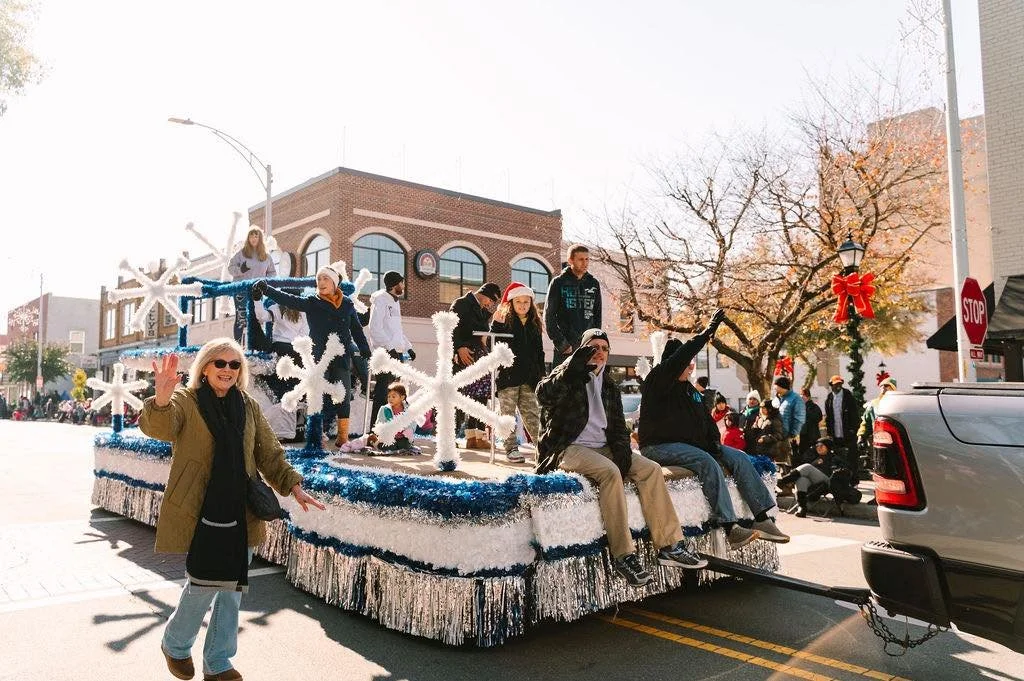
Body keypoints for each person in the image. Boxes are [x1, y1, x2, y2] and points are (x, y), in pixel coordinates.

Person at [141, 339, 325, 681]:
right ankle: (176, 645)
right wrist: (163, 397)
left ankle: (218, 663)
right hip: (201, 508)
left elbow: (269, 452)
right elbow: (160, 427)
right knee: (202, 584)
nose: (227, 369)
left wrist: (293, 485)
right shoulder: (186, 401)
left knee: (232, 589)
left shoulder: (248, 406)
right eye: (220, 363)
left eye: (234, 364)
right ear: (205, 367)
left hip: (242, 511)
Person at [536, 329, 708, 586]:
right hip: (567, 448)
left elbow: (618, 429)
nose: (600, 353)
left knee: (649, 469)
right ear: (582, 350)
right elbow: (542, 395)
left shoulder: (609, 386)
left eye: (605, 349)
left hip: (602, 448)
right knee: (610, 472)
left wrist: (624, 456)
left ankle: (670, 545)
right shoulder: (567, 375)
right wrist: (572, 368)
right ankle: (624, 556)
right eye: (594, 347)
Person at [638, 313, 788, 548]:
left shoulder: (690, 391)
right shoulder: (658, 380)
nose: (689, 367)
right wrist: (707, 333)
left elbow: (705, 423)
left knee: (738, 457)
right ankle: (730, 527)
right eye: (685, 363)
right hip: (658, 446)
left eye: (690, 364)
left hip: (687, 444)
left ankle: (761, 518)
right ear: (673, 363)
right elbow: (682, 356)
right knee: (705, 461)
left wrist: (715, 444)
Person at [253, 262, 370, 448]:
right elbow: (288, 300)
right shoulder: (312, 302)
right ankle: (317, 434)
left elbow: (356, 328)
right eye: (318, 279)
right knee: (316, 395)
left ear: (334, 283)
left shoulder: (347, 304)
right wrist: (267, 290)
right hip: (319, 357)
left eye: (325, 278)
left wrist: (364, 349)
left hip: (341, 356)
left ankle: (343, 437)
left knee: (344, 395)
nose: (321, 282)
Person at [490, 282, 545, 464]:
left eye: (526, 302)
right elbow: (495, 341)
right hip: (509, 377)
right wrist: (496, 323)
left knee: (532, 414)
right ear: (512, 303)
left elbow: (539, 352)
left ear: (531, 304)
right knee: (507, 415)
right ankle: (511, 448)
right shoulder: (506, 322)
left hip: (529, 378)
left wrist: (541, 375)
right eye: (518, 302)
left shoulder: (534, 324)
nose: (522, 305)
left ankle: (543, 447)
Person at [451, 282, 502, 449]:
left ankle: (476, 437)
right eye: (491, 301)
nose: (490, 305)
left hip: (478, 356)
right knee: (458, 396)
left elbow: (484, 335)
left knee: (479, 395)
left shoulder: (483, 311)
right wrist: (458, 348)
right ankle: (450, 436)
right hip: (463, 356)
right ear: (485, 294)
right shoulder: (461, 303)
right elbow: (452, 328)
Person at [367, 270, 414, 434]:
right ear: (395, 284)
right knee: (382, 392)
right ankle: (376, 429)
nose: (403, 285)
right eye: (402, 282)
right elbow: (375, 329)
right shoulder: (380, 300)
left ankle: (392, 427)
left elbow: (396, 330)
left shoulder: (396, 302)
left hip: (397, 353)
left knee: (396, 392)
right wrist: (389, 347)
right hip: (385, 353)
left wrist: (408, 347)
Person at [544, 244, 602, 367]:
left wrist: (596, 342)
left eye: (587, 259)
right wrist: (561, 343)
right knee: (563, 385)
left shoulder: (593, 283)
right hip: (566, 348)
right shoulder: (558, 282)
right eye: (581, 259)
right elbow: (549, 316)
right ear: (571, 260)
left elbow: (597, 315)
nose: (585, 263)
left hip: (588, 346)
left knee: (588, 385)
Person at [251, 290, 309, 400]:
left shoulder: (278, 308)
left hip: (280, 347)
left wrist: (257, 301)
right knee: (297, 378)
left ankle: (280, 397)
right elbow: (305, 333)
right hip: (294, 349)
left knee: (279, 378)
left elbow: (262, 317)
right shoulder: (302, 311)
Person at [228, 228, 277, 345]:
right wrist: (241, 270)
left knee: (257, 316)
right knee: (241, 317)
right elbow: (230, 268)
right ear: (248, 238)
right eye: (251, 236)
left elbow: (272, 273)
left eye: (256, 236)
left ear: (260, 238)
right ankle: (237, 346)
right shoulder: (241, 254)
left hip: (257, 291)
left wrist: (265, 281)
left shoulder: (266, 256)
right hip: (241, 290)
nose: (254, 239)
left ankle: (256, 345)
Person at [776, 437, 836, 517]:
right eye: (817, 445)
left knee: (807, 466)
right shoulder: (814, 456)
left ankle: (783, 481)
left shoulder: (833, 457)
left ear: (827, 447)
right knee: (801, 479)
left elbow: (840, 470)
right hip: (813, 482)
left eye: (821, 446)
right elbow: (800, 461)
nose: (818, 447)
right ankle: (802, 508)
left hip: (826, 481)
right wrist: (794, 447)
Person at [824, 375, 860, 474]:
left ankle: (854, 481)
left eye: (840, 384)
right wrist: (829, 433)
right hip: (836, 433)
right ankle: (841, 480)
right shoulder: (829, 398)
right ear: (831, 385)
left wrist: (853, 429)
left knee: (852, 457)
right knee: (839, 458)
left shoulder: (848, 396)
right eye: (836, 384)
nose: (838, 386)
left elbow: (855, 414)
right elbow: (828, 417)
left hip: (848, 433)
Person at [369, 382, 418, 452]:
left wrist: (410, 430)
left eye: (393, 396)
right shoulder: (384, 409)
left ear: (402, 397)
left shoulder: (407, 409)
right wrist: (383, 431)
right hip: (389, 438)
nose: (390, 399)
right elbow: (379, 423)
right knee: (387, 446)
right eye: (389, 396)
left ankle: (400, 446)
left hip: (402, 436)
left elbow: (413, 421)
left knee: (404, 445)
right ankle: (378, 443)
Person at [772, 376, 806, 467]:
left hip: (787, 436)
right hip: (775, 436)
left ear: (783, 387)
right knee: (777, 463)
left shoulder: (796, 399)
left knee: (788, 462)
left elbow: (799, 418)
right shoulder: (775, 399)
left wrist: (794, 434)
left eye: (776, 386)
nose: (775, 388)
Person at [858, 373, 897, 449]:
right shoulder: (873, 405)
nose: (883, 388)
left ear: (893, 388)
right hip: (878, 441)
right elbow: (865, 423)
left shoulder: (898, 404)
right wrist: (861, 436)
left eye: (886, 386)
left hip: (895, 443)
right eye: (882, 386)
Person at [799, 388, 823, 464]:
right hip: (803, 436)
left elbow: (818, 417)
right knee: (804, 457)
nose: (801, 398)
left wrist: (806, 411)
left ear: (807, 396)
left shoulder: (814, 407)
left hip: (812, 436)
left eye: (803, 396)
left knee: (813, 456)